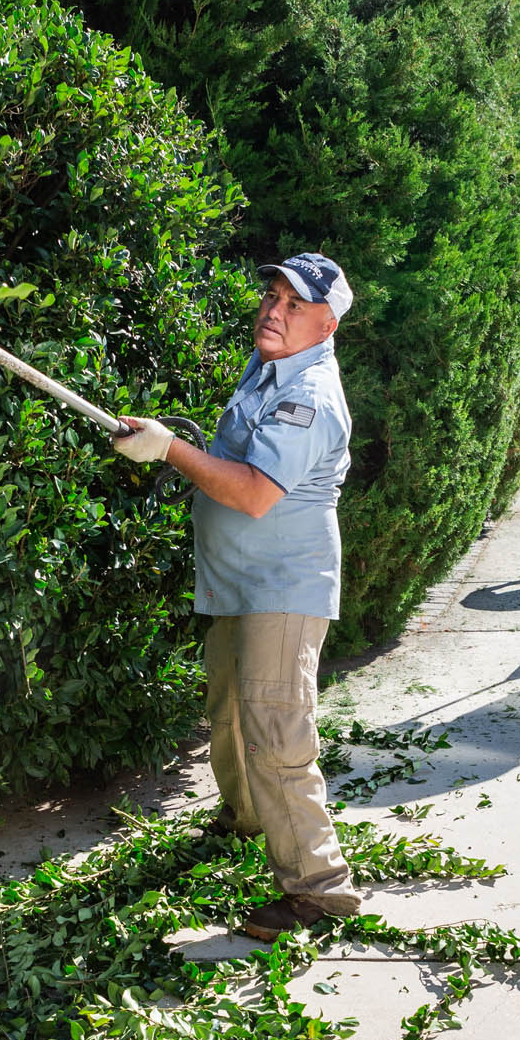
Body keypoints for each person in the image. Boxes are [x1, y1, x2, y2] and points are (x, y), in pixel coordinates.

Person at [111, 252, 362, 941]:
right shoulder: (269, 364)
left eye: (294, 305)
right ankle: (245, 820)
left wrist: (168, 452)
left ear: (327, 324)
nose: (273, 311)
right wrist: (170, 443)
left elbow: (253, 492)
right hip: (237, 580)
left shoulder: (310, 394)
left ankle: (319, 890)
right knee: (230, 713)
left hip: (284, 586)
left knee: (279, 736)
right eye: (273, 295)